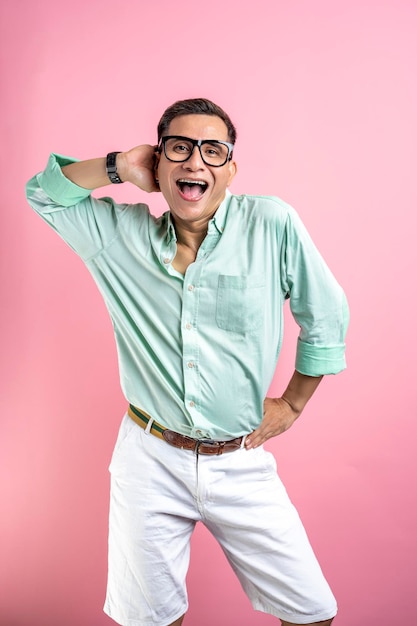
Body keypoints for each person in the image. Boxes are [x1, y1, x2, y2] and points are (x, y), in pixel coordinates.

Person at [26, 98, 349, 626]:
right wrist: (117, 166)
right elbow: (42, 193)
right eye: (179, 147)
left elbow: (327, 313)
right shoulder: (119, 236)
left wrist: (292, 403)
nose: (196, 161)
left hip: (240, 458)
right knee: (152, 621)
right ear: (158, 162)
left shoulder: (271, 223)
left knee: (313, 614)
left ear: (230, 169)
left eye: (212, 150)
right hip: (149, 456)